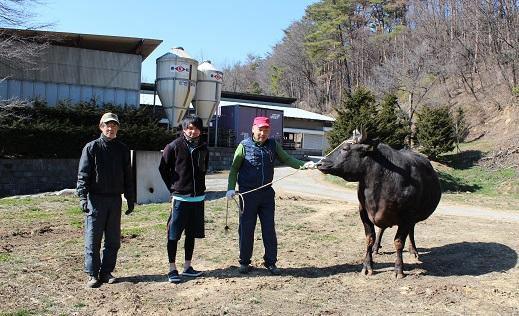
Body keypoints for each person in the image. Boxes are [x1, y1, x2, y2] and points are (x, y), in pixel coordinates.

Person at [226, 116, 316, 275]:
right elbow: (234, 169)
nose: (263, 133)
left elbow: (287, 159)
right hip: (247, 196)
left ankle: (271, 262)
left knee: (269, 229)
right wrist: (230, 188)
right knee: (246, 229)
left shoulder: (273, 145)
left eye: (266, 130)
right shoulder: (243, 146)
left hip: (267, 195)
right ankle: (244, 262)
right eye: (260, 129)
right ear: (253, 129)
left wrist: (303, 165)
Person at [76, 112, 135, 288]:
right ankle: (92, 274)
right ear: (101, 127)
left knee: (113, 240)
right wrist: (82, 197)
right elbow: (83, 174)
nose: (111, 128)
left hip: (115, 200)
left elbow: (128, 176)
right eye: (107, 125)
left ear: (118, 128)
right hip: (95, 199)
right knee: (93, 238)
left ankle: (106, 271)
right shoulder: (91, 148)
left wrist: (130, 198)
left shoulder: (122, 149)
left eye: (114, 125)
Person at [159, 115, 209, 283]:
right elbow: (163, 168)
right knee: (173, 235)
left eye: (196, 128)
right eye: (189, 127)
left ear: (200, 130)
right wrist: (174, 188)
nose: (192, 131)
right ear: (183, 129)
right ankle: (172, 268)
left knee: (191, 234)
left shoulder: (203, 147)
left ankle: (188, 267)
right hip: (180, 199)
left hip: (198, 199)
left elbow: (203, 169)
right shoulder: (173, 146)